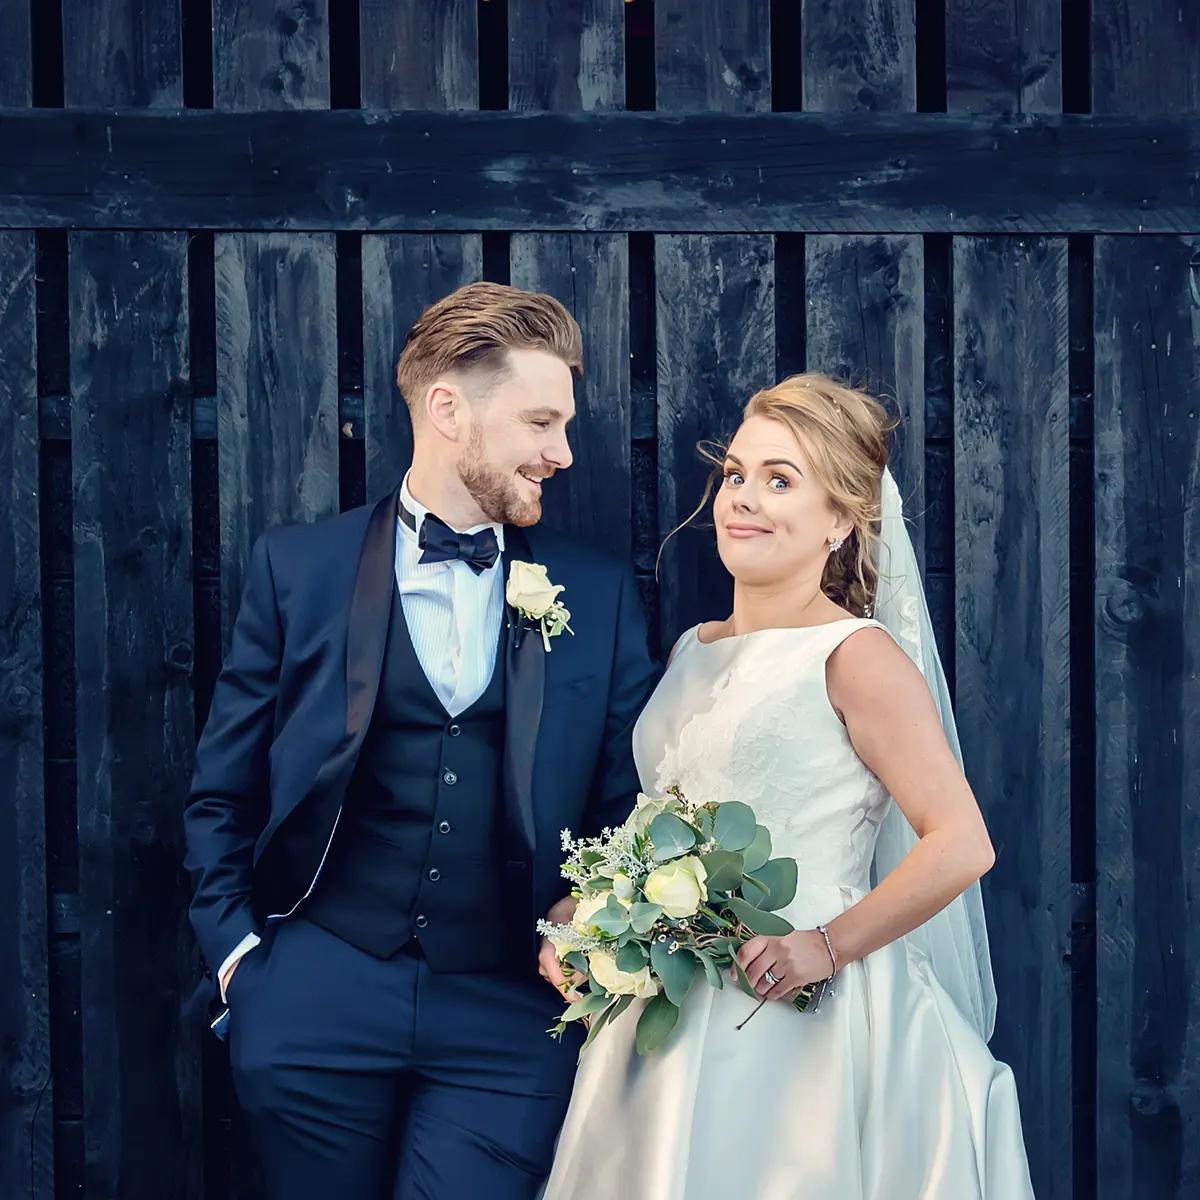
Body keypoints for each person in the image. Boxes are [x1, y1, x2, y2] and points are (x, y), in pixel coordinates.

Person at [183, 282, 659, 1199]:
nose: (563, 452)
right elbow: (222, 791)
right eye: (540, 422)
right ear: (448, 410)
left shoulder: (595, 593)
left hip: (511, 1010)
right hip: (318, 994)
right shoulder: (299, 569)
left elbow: (626, 799)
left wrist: (587, 930)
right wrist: (243, 967)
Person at [542, 373, 1035, 1199]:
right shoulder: (691, 651)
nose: (744, 499)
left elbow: (961, 843)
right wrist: (588, 919)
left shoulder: (855, 656)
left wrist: (824, 946)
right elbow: (663, 819)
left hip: (802, 1010)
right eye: (737, 474)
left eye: (781, 481)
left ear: (841, 520)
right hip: (671, 1005)